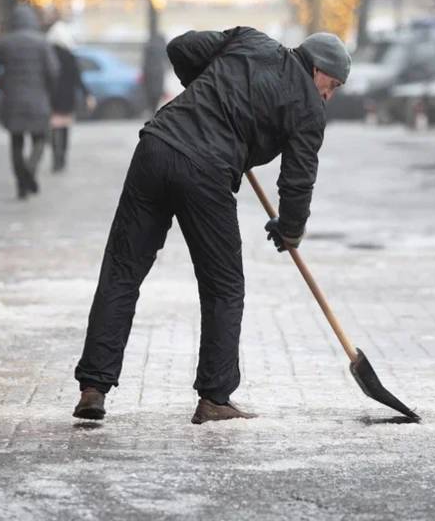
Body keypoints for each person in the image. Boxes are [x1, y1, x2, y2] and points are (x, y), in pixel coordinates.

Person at [72, 27, 351, 424]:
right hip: (205, 172)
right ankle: (215, 397)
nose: (329, 95)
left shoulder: (250, 41)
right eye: (332, 84)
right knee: (224, 286)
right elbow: (298, 178)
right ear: (317, 67)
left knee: (122, 270)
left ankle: (93, 388)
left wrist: (204, 89)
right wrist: (291, 229)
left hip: (156, 146)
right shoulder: (308, 108)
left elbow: (181, 48)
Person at [0, 5, 58, 199]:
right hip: (38, 99)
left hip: (12, 100)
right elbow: (53, 71)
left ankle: (21, 184)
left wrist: (4, 85)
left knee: (16, 141)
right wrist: (46, 90)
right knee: (40, 139)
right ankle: (30, 171)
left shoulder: (3, 42)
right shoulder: (42, 43)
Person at [46, 19, 92, 172]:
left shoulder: (48, 55)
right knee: (64, 129)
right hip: (67, 99)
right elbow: (78, 79)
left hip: (52, 97)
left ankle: (55, 159)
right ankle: (63, 158)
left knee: (53, 129)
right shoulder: (70, 56)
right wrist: (87, 94)